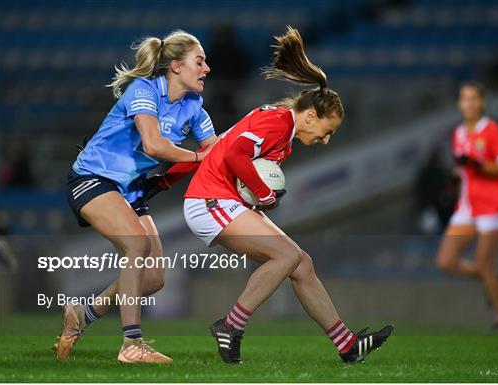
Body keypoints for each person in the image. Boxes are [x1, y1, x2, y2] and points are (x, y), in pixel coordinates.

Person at [163, 27, 393, 364]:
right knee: (285, 256)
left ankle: (346, 345)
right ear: (311, 115)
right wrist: (264, 194)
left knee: (301, 263)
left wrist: (166, 181)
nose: (326, 140)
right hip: (210, 201)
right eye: (327, 131)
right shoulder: (278, 122)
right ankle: (231, 325)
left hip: (223, 200)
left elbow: (219, 145)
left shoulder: (279, 128)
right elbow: (232, 156)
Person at [54, 30, 217, 364]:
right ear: (175, 66)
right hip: (92, 178)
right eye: (199, 61)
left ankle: (83, 314)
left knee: (154, 278)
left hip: (130, 189)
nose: (207, 68)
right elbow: (154, 146)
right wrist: (200, 159)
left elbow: (218, 151)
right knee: (138, 245)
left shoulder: (195, 107)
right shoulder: (144, 90)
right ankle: (132, 344)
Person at [436, 81, 498, 331]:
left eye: (473, 98)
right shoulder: (459, 132)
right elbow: (464, 168)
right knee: (446, 261)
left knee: (484, 262)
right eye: (464, 99)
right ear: (459, 103)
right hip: (468, 206)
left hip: (492, 204)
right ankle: (489, 279)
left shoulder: (491, 130)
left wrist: (480, 166)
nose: (469, 103)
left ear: (481, 102)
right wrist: (456, 174)